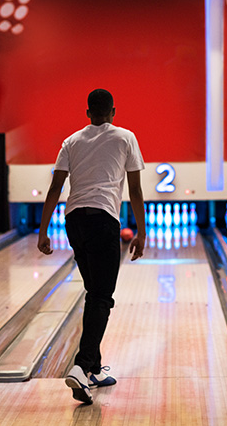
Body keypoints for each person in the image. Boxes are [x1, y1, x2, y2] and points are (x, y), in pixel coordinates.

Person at [38, 89, 146, 405]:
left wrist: (43, 230)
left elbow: (56, 187)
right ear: (113, 111)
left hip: (74, 222)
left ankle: (95, 369)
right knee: (101, 296)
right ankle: (82, 367)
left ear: (88, 113)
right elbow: (136, 190)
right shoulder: (126, 138)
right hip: (103, 220)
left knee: (94, 292)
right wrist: (141, 231)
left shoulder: (71, 142)